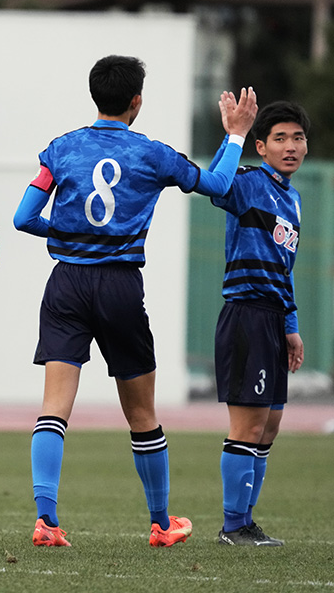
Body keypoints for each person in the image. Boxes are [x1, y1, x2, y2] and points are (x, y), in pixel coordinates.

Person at [13, 55, 257, 548]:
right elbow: (218, 185)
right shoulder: (153, 154)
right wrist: (235, 135)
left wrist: (66, 235)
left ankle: (46, 519)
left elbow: (23, 217)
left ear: (94, 95)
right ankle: (162, 523)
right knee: (142, 414)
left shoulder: (62, 149)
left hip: (66, 284)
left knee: (54, 408)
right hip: (120, 287)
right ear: (136, 101)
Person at [209, 100, 309, 546]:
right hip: (246, 314)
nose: (291, 146)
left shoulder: (294, 199)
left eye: (298, 137)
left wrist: (291, 324)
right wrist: (231, 133)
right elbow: (215, 187)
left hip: (272, 318)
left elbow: (283, 270)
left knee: (268, 428)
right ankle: (233, 526)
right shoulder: (249, 182)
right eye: (281, 138)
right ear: (262, 146)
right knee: (247, 427)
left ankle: (247, 521)